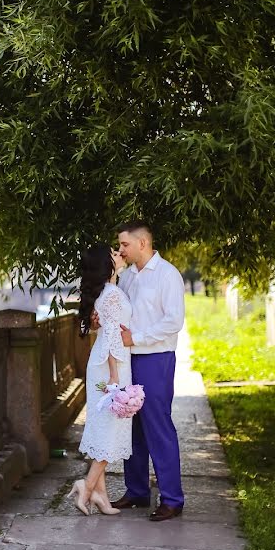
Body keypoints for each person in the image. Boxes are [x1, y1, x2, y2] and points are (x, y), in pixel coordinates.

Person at [108, 220, 186, 522]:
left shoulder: (168, 275)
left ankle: (172, 499)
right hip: (129, 361)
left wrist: (135, 337)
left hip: (156, 359)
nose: (120, 250)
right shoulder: (126, 277)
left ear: (143, 243)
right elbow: (119, 310)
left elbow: (173, 321)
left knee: (158, 427)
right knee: (133, 427)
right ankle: (137, 491)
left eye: (124, 244)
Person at [67, 242, 132, 516]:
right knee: (110, 428)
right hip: (111, 365)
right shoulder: (113, 294)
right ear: (107, 265)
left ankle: (101, 496)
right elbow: (112, 337)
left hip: (103, 363)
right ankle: (87, 485)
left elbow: (105, 332)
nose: (119, 254)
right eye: (114, 254)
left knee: (103, 427)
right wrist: (116, 376)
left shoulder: (105, 293)